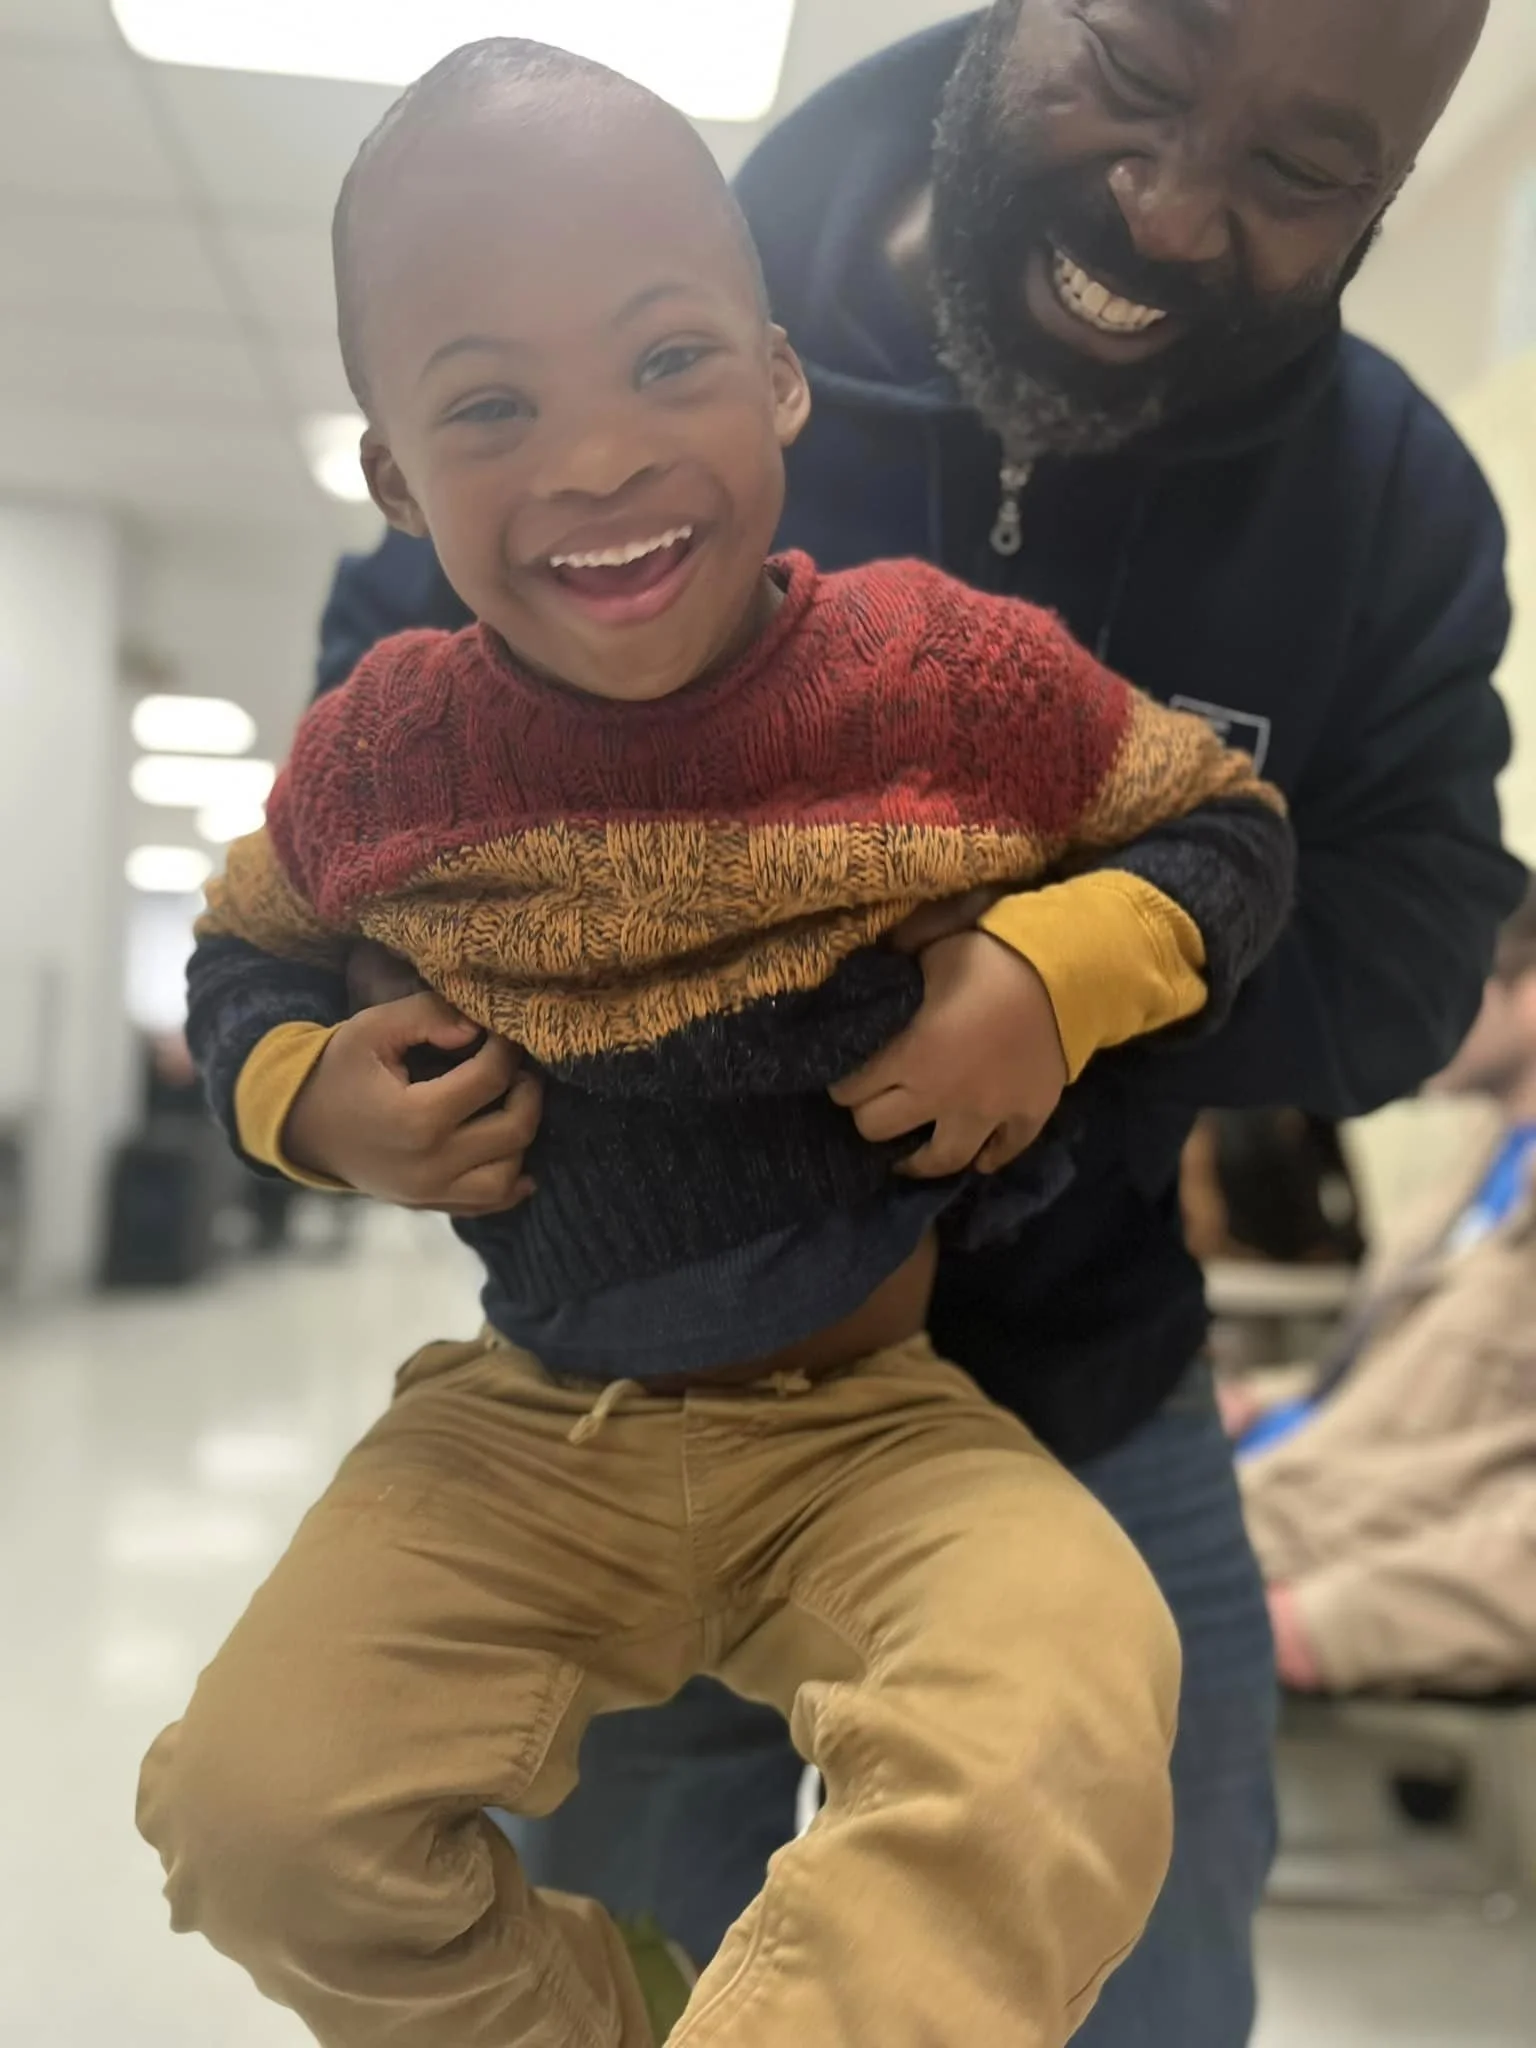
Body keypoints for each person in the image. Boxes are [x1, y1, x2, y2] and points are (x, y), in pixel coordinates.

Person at [306, 2, 1527, 2041]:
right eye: (1134, 74)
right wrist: (360, 1049)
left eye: (1304, 171)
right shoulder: (629, 320)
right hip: (640, 1395)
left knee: (1127, 1955)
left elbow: (1420, 939)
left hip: (1083, 1401)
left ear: (1391, 192)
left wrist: (1083, 981)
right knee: (619, 1971)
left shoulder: (1387, 497)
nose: (1170, 202)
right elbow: (379, 745)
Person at [1244, 881, 1536, 1697]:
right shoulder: (1486, 1162)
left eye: (1450, 983)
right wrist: (1266, 1400)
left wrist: (1332, 1623)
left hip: (1312, 1550)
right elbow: (1416, 1381)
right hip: (1274, 1493)